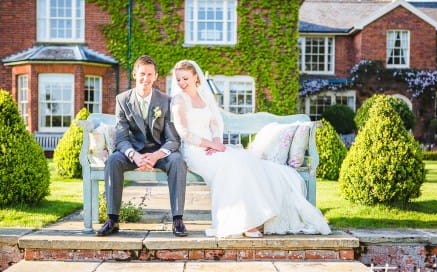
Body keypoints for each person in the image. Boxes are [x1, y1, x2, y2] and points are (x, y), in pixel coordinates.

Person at [170, 60, 331, 238]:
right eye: (178, 80)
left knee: (245, 162)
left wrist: (216, 140)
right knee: (231, 166)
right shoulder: (179, 100)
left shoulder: (204, 97)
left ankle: (254, 219)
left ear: (195, 77)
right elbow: (184, 132)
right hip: (195, 152)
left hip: (213, 148)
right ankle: (244, 223)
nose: (181, 83)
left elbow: (215, 124)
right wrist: (211, 145)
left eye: (185, 78)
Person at [97, 55, 188, 237]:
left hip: (159, 151)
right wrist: (135, 156)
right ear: (134, 74)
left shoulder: (166, 101)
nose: (145, 78)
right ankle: (112, 219)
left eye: (149, 74)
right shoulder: (122, 100)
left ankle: (178, 219)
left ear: (155, 77)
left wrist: (155, 156)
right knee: (113, 160)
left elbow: (173, 139)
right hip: (134, 151)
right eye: (142, 74)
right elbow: (121, 138)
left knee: (177, 160)